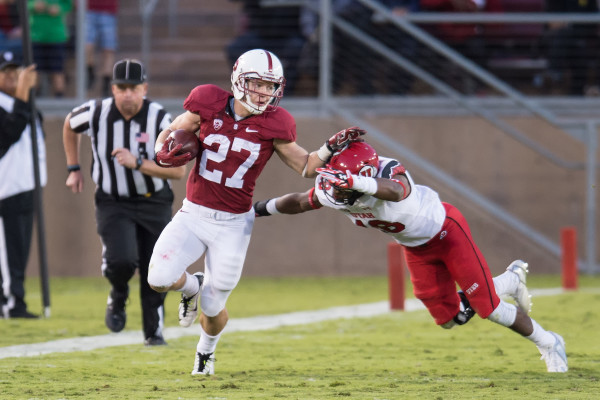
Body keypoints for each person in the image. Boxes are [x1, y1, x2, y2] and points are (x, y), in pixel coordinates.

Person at [253, 138, 568, 373]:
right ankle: (508, 280)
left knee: (489, 309)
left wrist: (357, 182)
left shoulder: (388, 181)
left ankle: (550, 343)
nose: (336, 193)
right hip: (416, 248)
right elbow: (298, 201)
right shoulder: (339, 189)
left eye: (345, 186)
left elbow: (396, 189)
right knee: (449, 319)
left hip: (447, 232)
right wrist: (255, 211)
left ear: (363, 178)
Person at [147, 49, 364, 375]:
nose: (264, 91)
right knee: (158, 278)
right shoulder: (207, 101)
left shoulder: (276, 123)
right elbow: (171, 132)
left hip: (234, 224)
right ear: (238, 78)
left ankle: (206, 351)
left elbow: (305, 166)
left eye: (270, 85)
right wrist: (161, 151)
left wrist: (329, 149)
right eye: (257, 83)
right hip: (193, 213)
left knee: (213, 307)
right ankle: (192, 286)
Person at [62, 59, 186, 346]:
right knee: (121, 261)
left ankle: (153, 331)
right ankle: (118, 295)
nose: (128, 94)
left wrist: (138, 163)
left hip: (154, 201)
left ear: (144, 89)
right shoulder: (96, 112)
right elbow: (70, 123)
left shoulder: (160, 119)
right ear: (113, 89)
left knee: (155, 269)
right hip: (113, 201)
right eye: (122, 88)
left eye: (134, 88)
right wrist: (73, 167)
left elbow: (178, 171)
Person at [0, 51, 45, 319]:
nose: (12, 78)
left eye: (16, 72)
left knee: (20, 247)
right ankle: (11, 301)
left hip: (27, 183)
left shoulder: (25, 103)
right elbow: (8, 133)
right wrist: (22, 94)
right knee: (9, 248)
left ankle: (13, 297)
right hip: (7, 185)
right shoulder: (9, 103)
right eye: (6, 72)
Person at [226, 0, 306, 95]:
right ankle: (249, 92)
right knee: (236, 48)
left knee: (298, 47)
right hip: (259, 35)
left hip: (288, 36)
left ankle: (282, 94)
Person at [28, 0, 72, 97]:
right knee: (35, 72)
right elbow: (24, 5)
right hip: (36, 36)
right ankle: (34, 103)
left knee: (57, 71)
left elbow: (68, 5)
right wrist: (34, 5)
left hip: (56, 37)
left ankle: (59, 103)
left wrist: (59, 8)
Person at [85, 0, 119, 97]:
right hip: (89, 9)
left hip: (108, 10)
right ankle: (90, 71)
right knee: (87, 46)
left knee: (108, 48)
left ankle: (106, 81)